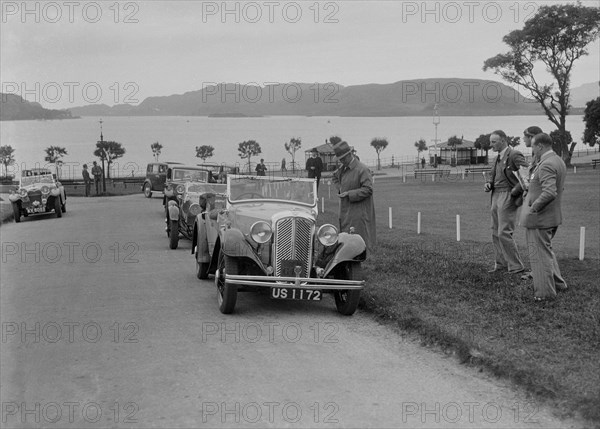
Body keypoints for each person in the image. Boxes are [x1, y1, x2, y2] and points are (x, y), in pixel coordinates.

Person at [521, 133, 567, 301]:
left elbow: (549, 192)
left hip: (540, 218)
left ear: (540, 146)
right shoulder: (557, 160)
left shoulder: (547, 164)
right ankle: (558, 284)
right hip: (550, 216)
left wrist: (534, 207)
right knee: (546, 252)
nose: (532, 150)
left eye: (533, 146)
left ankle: (545, 294)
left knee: (539, 256)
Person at [484, 130, 528, 274]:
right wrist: (489, 184)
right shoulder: (497, 157)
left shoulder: (514, 155)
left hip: (507, 196)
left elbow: (526, 174)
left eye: (493, 142)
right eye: (491, 142)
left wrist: (515, 191)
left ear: (503, 140)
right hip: (495, 195)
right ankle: (501, 264)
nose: (491, 145)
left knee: (504, 232)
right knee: (495, 232)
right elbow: (494, 175)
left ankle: (516, 266)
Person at [331, 141, 376, 252]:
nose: (340, 161)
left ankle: (358, 263)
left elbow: (368, 189)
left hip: (359, 212)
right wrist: (340, 188)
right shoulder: (343, 169)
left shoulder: (362, 169)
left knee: (359, 241)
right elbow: (334, 177)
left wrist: (349, 194)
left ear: (349, 155)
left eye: (342, 159)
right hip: (345, 212)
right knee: (346, 240)